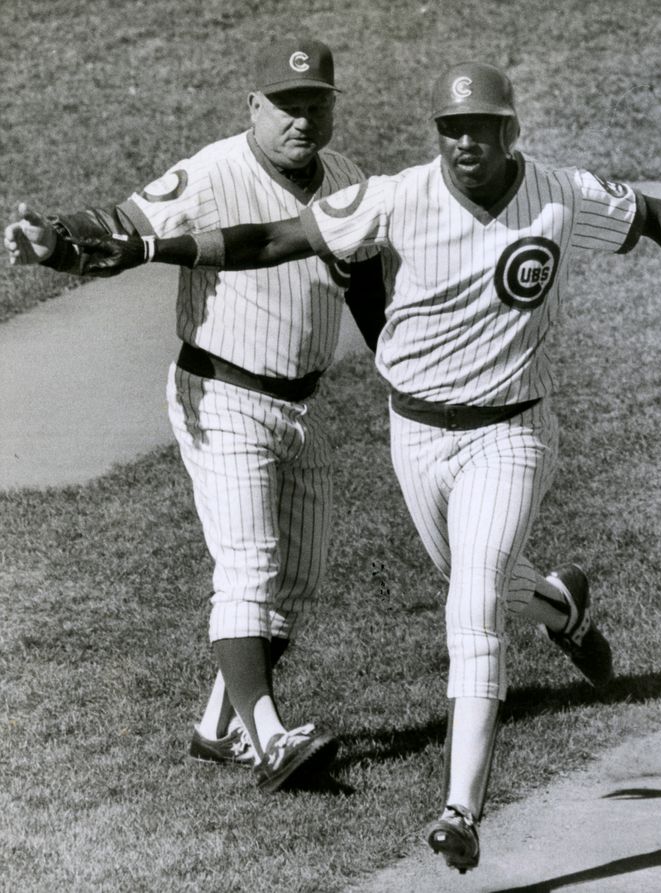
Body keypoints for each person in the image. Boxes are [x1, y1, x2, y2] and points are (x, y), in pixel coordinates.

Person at [43, 62, 661, 871]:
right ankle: (560, 605)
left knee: (471, 609)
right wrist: (146, 247)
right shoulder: (398, 196)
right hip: (416, 436)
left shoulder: (560, 193)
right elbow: (275, 238)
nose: (463, 143)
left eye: (480, 127)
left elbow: (659, 214)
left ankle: (460, 810)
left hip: (511, 433)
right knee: (474, 576)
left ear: (509, 131)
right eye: (450, 128)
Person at [4, 38, 387, 792]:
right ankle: (270, 737)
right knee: (248, 564)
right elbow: (119, 225)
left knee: (299, 581)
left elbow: (368, 284)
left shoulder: (348, 181)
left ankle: (219, 725)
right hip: (221, 394)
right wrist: (56, 245)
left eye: (315, 105)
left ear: (334, 107)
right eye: (286, 106)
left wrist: (400, 364)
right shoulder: (214, 172)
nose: (301, 121)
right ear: (254, 106)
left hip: (301, 401)